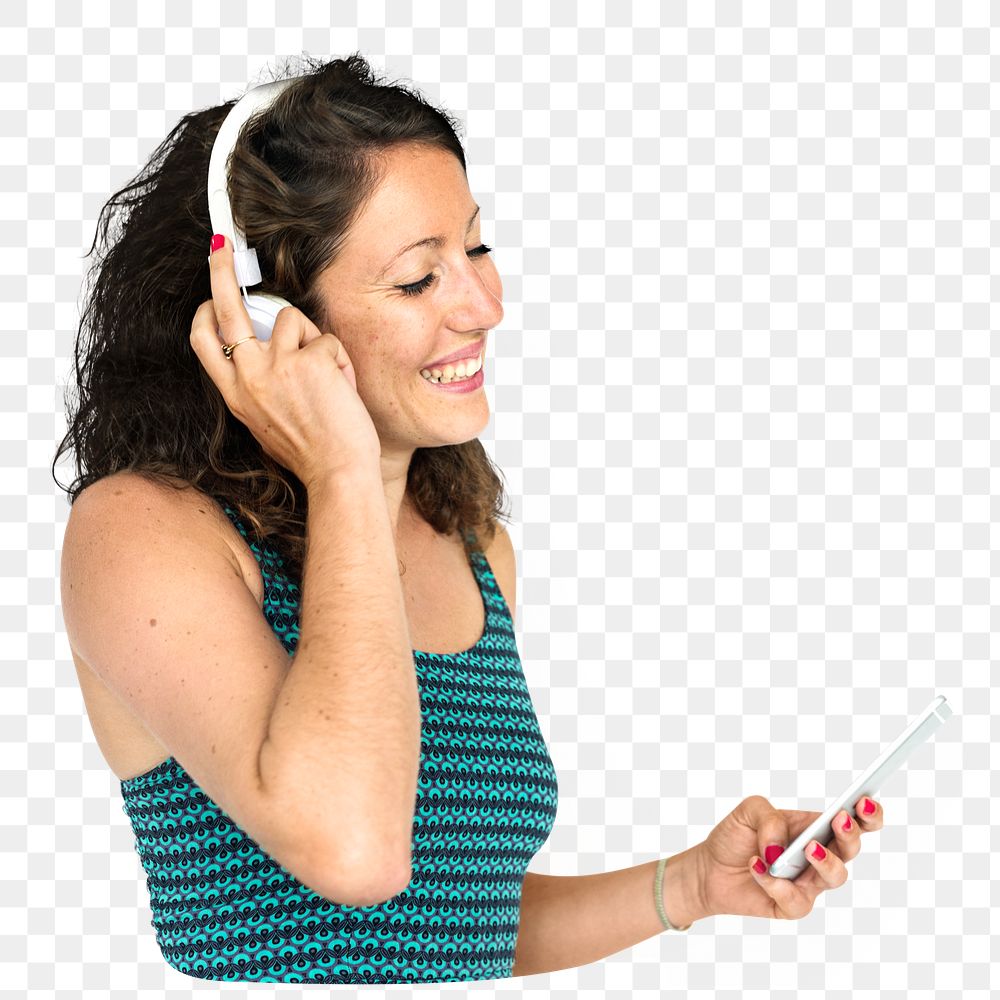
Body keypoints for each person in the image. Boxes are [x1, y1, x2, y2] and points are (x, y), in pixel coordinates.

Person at [53, 53, 884, 985]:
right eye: (418, 280)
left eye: (476, 250)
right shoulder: (141, 532)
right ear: (262, 314)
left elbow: (457, 923)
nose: (486, 306)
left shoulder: (470, 541)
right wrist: (342, 470)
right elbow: (356, 853)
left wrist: (688, 886)